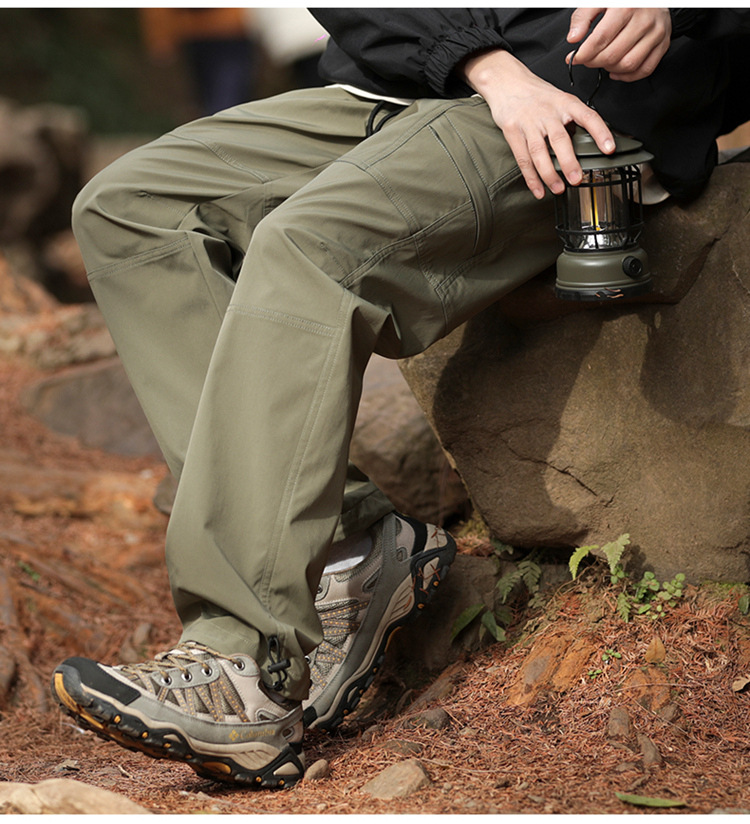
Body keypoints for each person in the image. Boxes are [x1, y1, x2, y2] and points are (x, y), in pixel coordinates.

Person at [51, 9, 750, 789]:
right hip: (407, 82)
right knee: (129, 209)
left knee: (309, 245)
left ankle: (246, 668)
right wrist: (479, 62)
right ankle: (345, 555)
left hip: (576, 100)